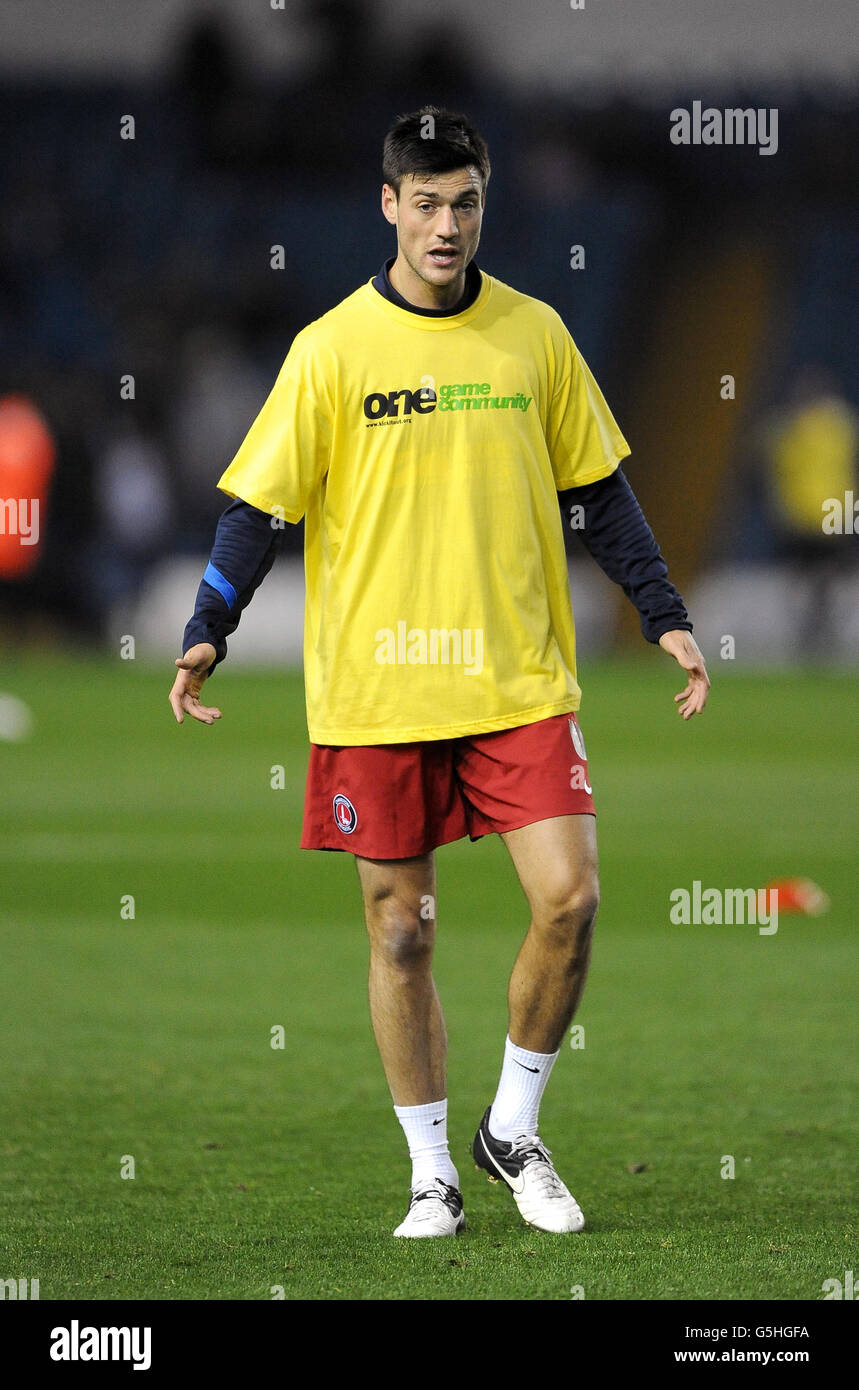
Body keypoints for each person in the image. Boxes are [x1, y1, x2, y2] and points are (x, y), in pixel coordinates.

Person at [168, 106, 710, 1239]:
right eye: (424, 202)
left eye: (464, 201)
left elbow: (596, 491)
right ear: (388, 207)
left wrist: (661, 610)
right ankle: (432, 1174)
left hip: (516, 676)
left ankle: (510, 1131)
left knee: (571, 899)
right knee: (401, 929)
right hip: (378, 688)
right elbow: (255, 506)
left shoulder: (535, 336)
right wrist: (209, 622)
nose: (446, 224)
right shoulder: (329, 351)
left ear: (482, 203)